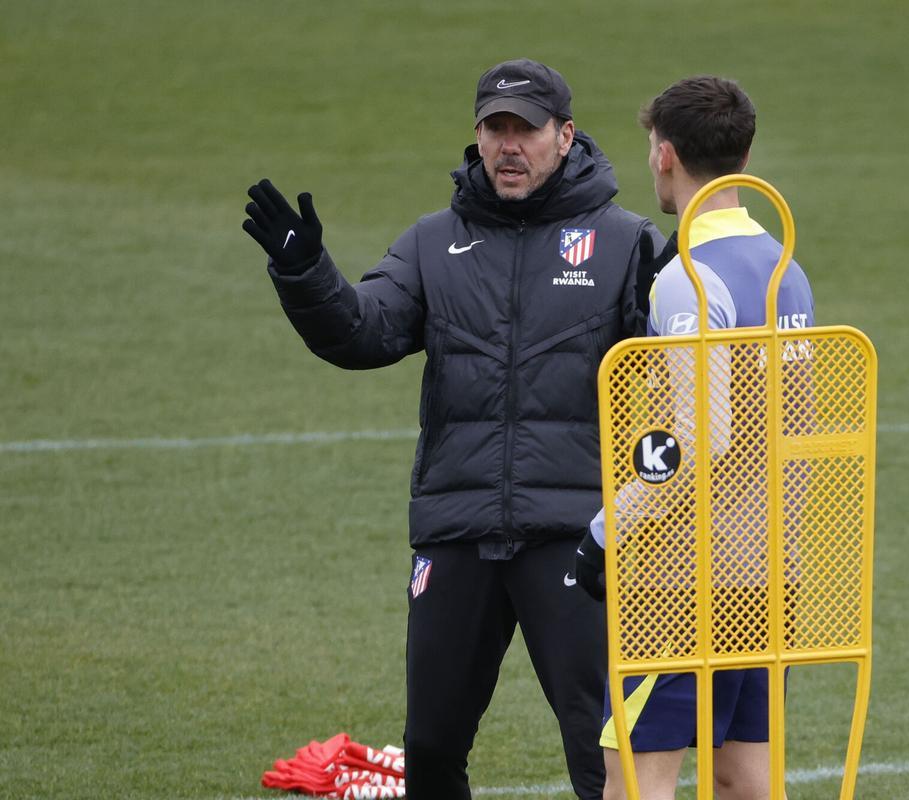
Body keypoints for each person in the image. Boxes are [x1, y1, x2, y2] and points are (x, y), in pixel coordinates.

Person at [241, 58, 665, 800]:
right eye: (494, 129)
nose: (508, 145)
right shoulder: (434, 243)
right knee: (431, 746)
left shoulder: (626, 243)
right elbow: (363, 333)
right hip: (457, 527)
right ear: (477, 137)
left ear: (564, 136)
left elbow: (673, 375)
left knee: (600, 750)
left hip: (576, 533)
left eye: (525, 130)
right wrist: (307, 272)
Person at [574, 76, 816, 800]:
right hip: (771, 567)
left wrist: (606, 528)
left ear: (667, 154)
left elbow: (696, 440)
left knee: (634, 776)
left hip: (686, 580)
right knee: (745, 774)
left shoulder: (688, 277)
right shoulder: (787, 268)